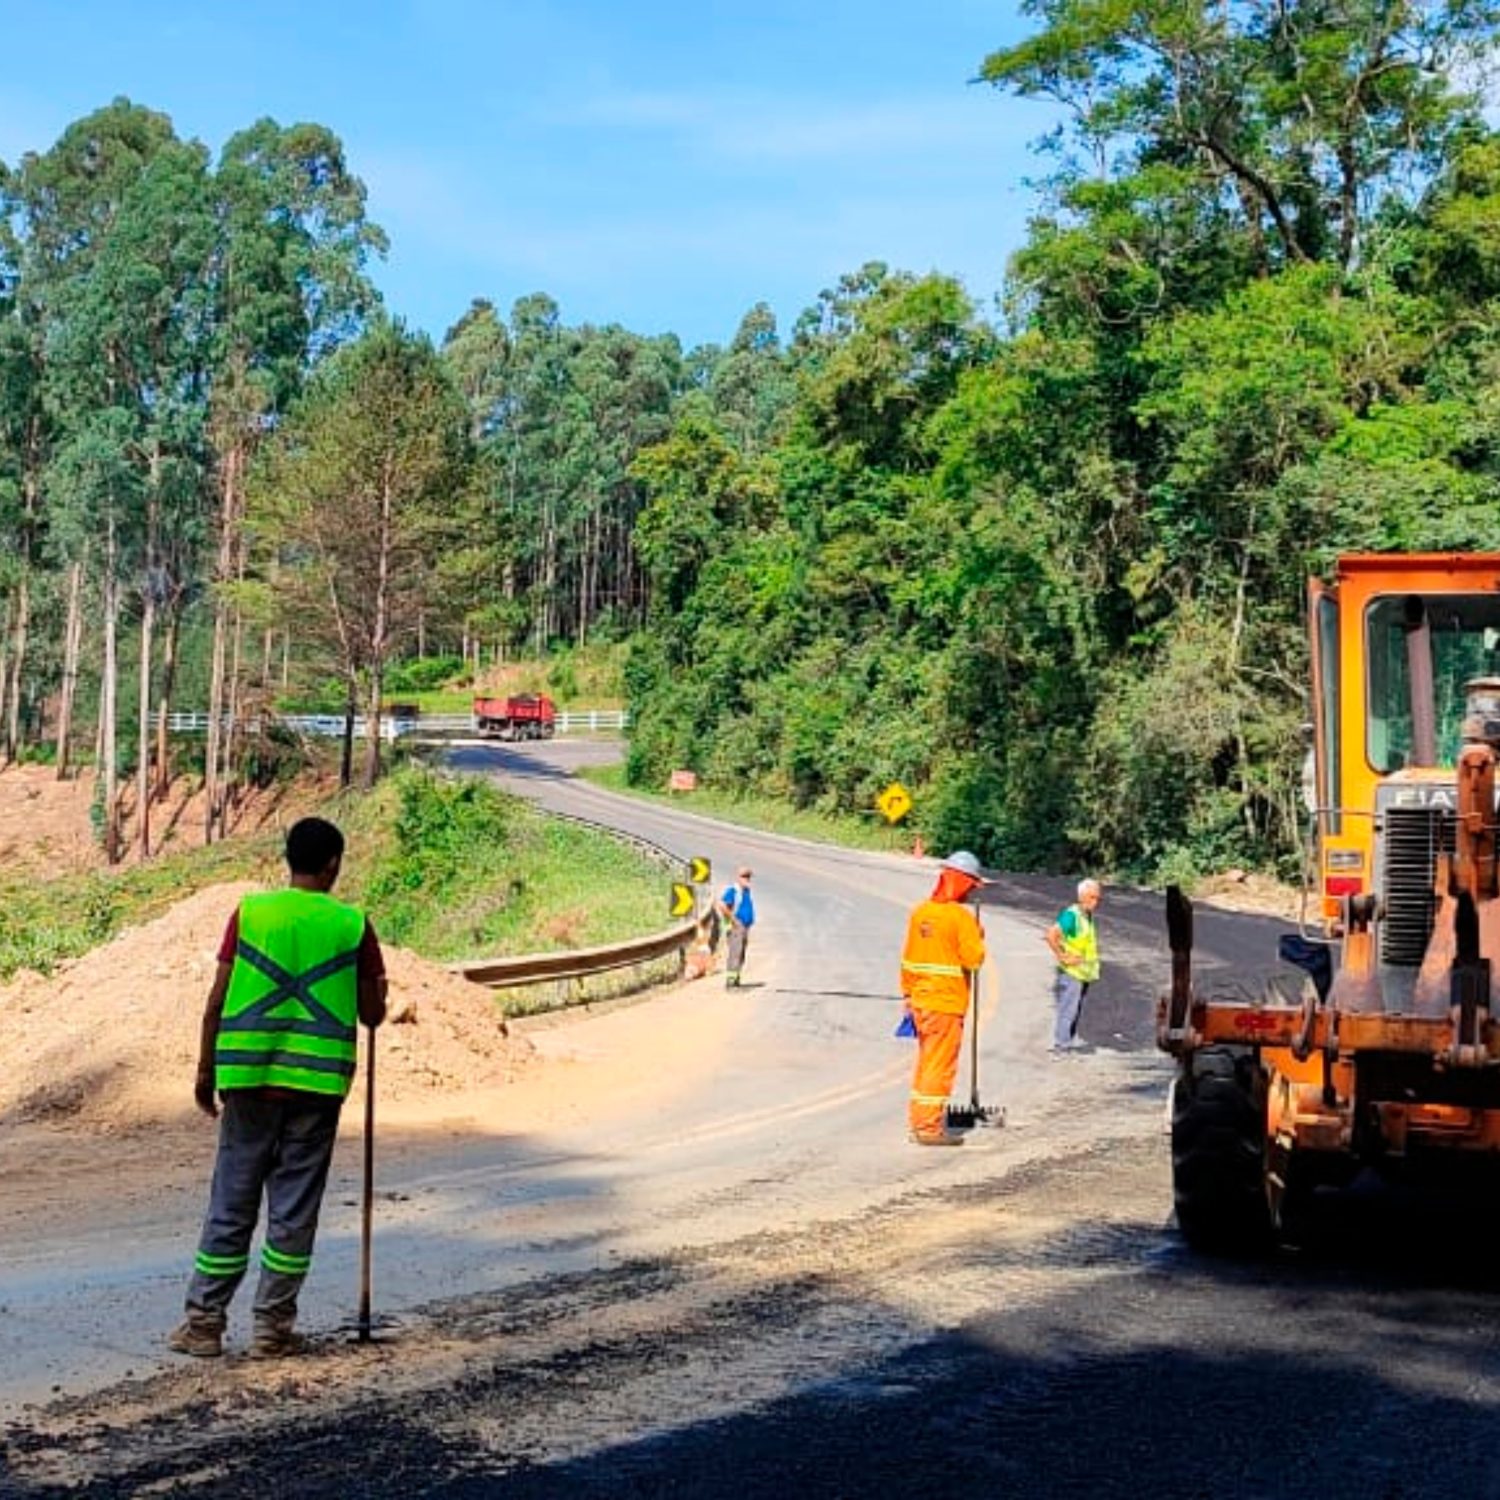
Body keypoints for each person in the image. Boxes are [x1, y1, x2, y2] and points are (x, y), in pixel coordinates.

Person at [168, 816, 388, 1359]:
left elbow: (218, 999)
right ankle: (272, 1330)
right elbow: (372, 1013)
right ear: (333, 863)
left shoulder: (250, 913)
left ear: (287, 858)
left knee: (231, 1202)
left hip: (247, 1080)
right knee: (293, 1209)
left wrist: (204, 1069)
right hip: (315, 1088)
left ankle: (203, 1326)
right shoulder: (352, 924)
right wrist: (378, 990)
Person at [899, 850, 987, 1146]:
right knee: (939, 1065)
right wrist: (978, 935)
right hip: (946, 1004)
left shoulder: (921, 912)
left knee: (926, 1063)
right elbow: (973, 960)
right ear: (963, 883)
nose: (973, 892)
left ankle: (919, 1120)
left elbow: (908, 960)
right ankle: (927, 1127)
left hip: (921, 1001)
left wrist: (908, 995)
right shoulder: (960, 919)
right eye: (972, 886)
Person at [1047, 878, 1102, 1054]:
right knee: (1068, 1009)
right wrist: (1062, 956)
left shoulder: (1086, 915)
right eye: (1093, 897)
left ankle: (1066, 1043)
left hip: (1083, 972)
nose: (1096, 902)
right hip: (1072, 972)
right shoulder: (1072, 915)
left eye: (1098, 898)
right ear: (1082, 896)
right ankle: (1061, 1046)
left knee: (1075, 1009)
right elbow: (1051, 934)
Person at [719, 866, 755, 988]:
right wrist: (733, 920)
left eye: (748, 876)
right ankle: (730, 981)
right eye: (745, 876)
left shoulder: (746, 891)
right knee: (735, 952)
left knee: (741, 952)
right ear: (738, 877)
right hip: (736, 926)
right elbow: (722, 905)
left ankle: (736, 978)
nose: (747, 879)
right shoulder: (733, 891)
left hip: (744, 926)